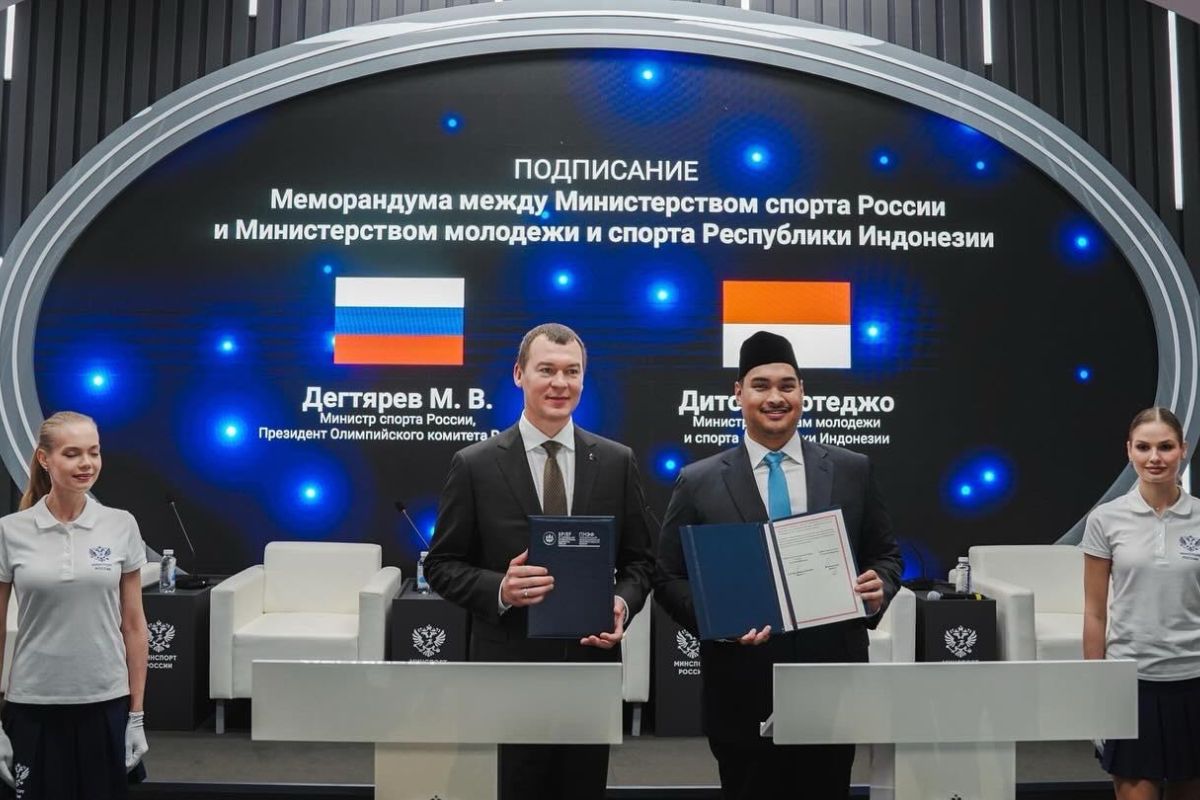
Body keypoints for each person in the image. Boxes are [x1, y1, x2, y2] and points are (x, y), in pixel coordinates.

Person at [654, 330, 903, 800]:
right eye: (761, 385)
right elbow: (667, 576)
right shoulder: (698, 481)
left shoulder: (853, 469)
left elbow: (886, 556)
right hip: (740, 685)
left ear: (802, 393)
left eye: (787, 386)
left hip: (832, 679)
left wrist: (879, 589)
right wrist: (717, 620)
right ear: (738, 394)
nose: (775, 397)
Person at [425, 322, 654, 800]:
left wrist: (622, 604)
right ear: (518, 375)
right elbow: (442, 564)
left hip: (591, 666)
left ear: (584, 380)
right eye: (546, 369)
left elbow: (641, 562)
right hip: (507, 668)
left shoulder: (615, 461)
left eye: (572, 372)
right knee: (513, 788)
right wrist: (500, 590)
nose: (560, 383)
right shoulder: (475, 464)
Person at [0, 411, 149, 800]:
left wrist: (136, 716)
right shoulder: (9, 532)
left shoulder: (121, 525)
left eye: (94, 452)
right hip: (32, 705)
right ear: (44, 459)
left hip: (105, 705)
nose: (86, 463)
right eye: (72, 454)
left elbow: (134, 627)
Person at [1081, 407, 1200, 800]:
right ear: (1129, 451)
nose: (1155, 458)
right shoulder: (1105, 520)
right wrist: (1095, 690)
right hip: (1131, 684)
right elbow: (1095, 612)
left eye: (1165, 447)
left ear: (1183, 450)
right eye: (1144, 447)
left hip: (1193, 682)